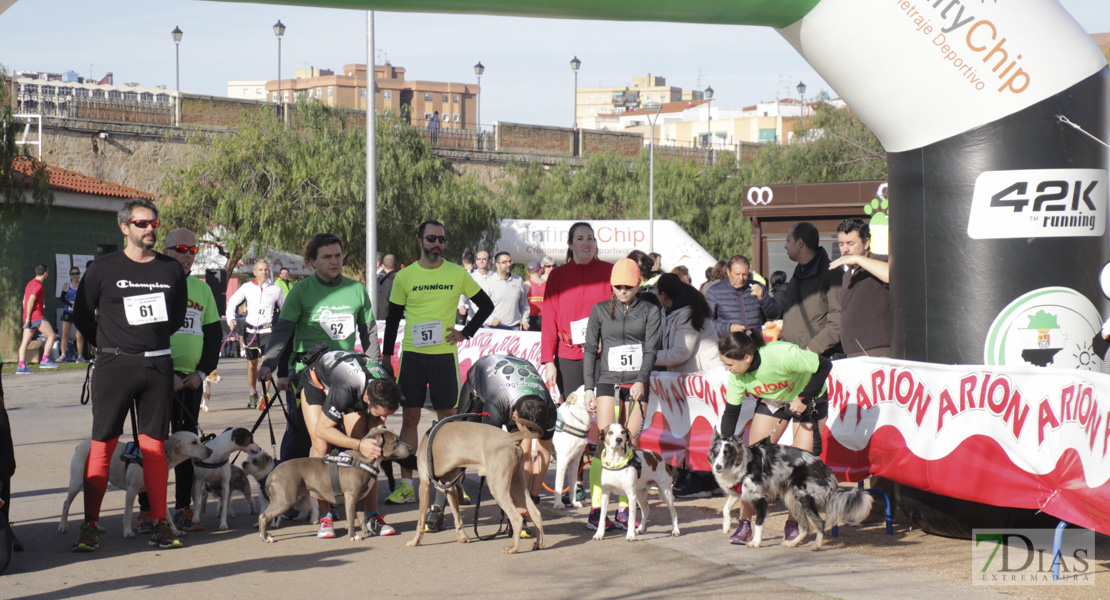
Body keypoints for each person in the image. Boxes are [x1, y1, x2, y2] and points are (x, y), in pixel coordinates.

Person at [71, 197, 188, 551]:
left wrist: (148, 344)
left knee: (154, 448)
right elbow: (81, 316)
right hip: (114, 365)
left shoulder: (170, 270)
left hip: (157, 365)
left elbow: (176, 318)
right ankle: (90, 525)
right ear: (125, 228)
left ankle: (158, 523)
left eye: (154, 223)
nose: (151, 228)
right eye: (142, 223)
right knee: (103, 444)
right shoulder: (102, 269)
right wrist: (109, 344)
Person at [258, 233, 382, 538]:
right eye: (327, 257)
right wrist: (271, 364)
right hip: (309, 377)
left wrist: (376, 375)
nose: (335, 261)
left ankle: (369, 513)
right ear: (312, 261)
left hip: (349, 378)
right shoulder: (300, 292)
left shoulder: (356, 290)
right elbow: (283, 332)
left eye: (338, 255)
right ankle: (319, 512)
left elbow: (369, 338)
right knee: (318, 443)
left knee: (357, 440)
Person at [381, 220, 494, 506]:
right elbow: (393, 319)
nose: (437, 244)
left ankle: (452, 481)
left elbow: (487, 306)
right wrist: (385, 356)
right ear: (420, 241)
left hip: (444, 358)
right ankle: (407, 484)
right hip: (413, 358)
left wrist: (465, 332)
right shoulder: (404, 276)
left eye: (442, 240)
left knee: (448, 421)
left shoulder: (457, 273)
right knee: (411, 419)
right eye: (431, 239)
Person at [135, 229, 222, 534]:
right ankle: (148, 510)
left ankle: (183, 506)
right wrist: (164, 371)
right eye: (181, 248)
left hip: (191, 381)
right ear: (166, 250)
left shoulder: (202, 289)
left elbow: (214, 336)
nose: (187, 254)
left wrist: (201, 373)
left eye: (193, 250)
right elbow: (144, 333)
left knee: (187, 445)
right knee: (152, 445)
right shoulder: (151, 283)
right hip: (156, 376)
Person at [716, 330, 832, 545]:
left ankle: (793, 523)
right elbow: (731, 412)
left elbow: (824, 365)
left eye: (730, 364)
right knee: (751, 463)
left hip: (808, 398)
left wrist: (804, 397)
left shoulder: (781, 354)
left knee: (799, 465)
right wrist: (725, 445)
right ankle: (744, 524)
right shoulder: (738, 376)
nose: (727, 369)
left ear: (747, 358)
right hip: (774, 402)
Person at [424, 354, 556, 532]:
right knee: (460, 447)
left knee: (520, 452)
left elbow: (543, 453)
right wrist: (516, 502)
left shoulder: (549, 409)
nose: (527, 436)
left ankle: (517, 516)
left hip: (516, 385)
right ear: (514, 416)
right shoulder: (497, 405)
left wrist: (532, 499)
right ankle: (438, 506)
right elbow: (491, 459)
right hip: (482, 381)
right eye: (525, 430)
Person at [582, 258, 662, 531]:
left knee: (631, 442)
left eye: (628, 286)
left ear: (638, 283)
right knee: (604, 442)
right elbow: (591, 350)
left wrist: (642, 379)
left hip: (636, 382)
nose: (623, 290)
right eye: (617, 286)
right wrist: (589, 389)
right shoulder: (600, 310)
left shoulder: (650, 309)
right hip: (607, 379)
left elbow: (651, 349)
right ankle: (596, 508)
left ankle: (626, 509)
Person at [301, 348, 402, 537]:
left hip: (353, 383)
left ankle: (372, 517)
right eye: (380, 414)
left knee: (370, 452)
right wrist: (357, 445)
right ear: (366, 400)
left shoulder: (387, 385)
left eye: (386, 416)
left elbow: (374, 431)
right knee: (322, 445)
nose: (382, 419)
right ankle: (325, 516)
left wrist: (370, 445)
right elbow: (322, 429)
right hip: (318, 383)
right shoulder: (347, 390)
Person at [540, 222, 613, 400]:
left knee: (600, 409)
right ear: (571, 245)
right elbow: (549, 319)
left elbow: (619, 311)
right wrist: (549, 361)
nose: (586, 244)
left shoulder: (610, 271)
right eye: (580, 239)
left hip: (602, 355)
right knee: (573, 411)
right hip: (568, 356)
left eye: (590, 239)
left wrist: (608, 337)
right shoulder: (557, 276)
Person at [226, 260, 284, 408]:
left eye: (266, 269)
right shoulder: (247, 288)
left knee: (266, 363)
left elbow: (284, 309)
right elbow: (232, 303)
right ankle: (253, 393)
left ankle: (265, 395)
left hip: (268, 331)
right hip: (250, 331)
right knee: (252, 365)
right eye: (260, 270)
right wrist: (231, 319)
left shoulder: (275, 289)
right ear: (255, 272)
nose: (263, 272)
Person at [831, 218, 891, 358]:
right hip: (852, 354)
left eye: (850, 243)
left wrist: (858, 259)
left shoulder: (881, 261)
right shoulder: (846, 275)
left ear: (866, 243)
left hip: (878, 352)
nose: (845, 249)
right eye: (841, 244)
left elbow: (891, 274)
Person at [780, 223, 842, 356]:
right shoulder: (797, 275)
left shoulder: (832, 274)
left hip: (817, 359)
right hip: (794, 358)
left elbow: (838, 321)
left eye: (788, 241)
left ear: (800, 243)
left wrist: (812, 349)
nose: (785, 246)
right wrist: (783, 340)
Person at [654, 273, 723, 373]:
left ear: (663, 295)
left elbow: (680, 353)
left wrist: (648, 357)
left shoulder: (687, 313)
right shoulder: (668, 311)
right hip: (691, 373)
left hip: (705, 374)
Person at [705, 256, 779, 339]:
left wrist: (763, 297)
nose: (741, 278)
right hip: (729, 345)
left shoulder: (757, 287)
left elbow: (774, 314)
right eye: (737, 274)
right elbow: (706, 322)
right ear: (728, 272)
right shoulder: (714, 291)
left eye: (744, 274)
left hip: (754, 344)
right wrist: (728, 328)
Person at [15, 265, 59, 373]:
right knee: (52, 335)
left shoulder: (30, 283)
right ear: (45, 273)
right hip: (36, 316)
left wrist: (26, 317)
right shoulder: (38, 285)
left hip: (29, 317)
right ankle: (45, 360)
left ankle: (21, 366)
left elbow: (24, 301)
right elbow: (30, 301)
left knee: (25, 342)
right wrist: (29, 318)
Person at [483, 252, 529, 330]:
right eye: (504, 262)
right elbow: (481, 307)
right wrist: (490, 320)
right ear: (497, 264)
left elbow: (524, 304)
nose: (508, 264)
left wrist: (525, 320)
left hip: (515, 327)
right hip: (494, 328)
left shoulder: (518, 280)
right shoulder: (488, 282)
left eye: (510, 261)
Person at [58, 266, 87, 363]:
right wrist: (70, 304)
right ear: (70, 275)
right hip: (68, 312)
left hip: (79, 312)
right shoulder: (67, 285)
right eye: (73, 274)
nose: (75, 276)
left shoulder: (82, 285)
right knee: (65, 333)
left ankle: (80, 356)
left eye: (77, 273)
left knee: (79, 335)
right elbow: (62, 298)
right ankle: (63, 355)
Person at [524, 261, 545, 331]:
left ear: (528, 272)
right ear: (540, 271)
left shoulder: (526, 285)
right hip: (545, 319)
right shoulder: (548, 285)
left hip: (530, 319)